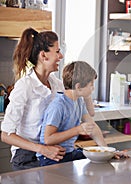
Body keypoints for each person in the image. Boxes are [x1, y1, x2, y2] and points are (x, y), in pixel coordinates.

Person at [0, 28, 95, 170]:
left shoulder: (56, 84)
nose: (61, 56)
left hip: (53, 152)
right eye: (57, 51)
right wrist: (42, 149)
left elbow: (82, 111)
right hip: (28, 156)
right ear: (43, 55)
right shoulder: (25, 86)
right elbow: (6, 135)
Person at [37, 61, 107, 166]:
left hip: (68, 153)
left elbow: (92, 127)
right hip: (51, 158)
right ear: (78, 87)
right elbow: (48, 139)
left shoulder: (78, 101)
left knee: (99, 161)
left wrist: (106, 151)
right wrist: (77, 130)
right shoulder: (58, 105)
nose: (93, 88)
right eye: (91, 85)